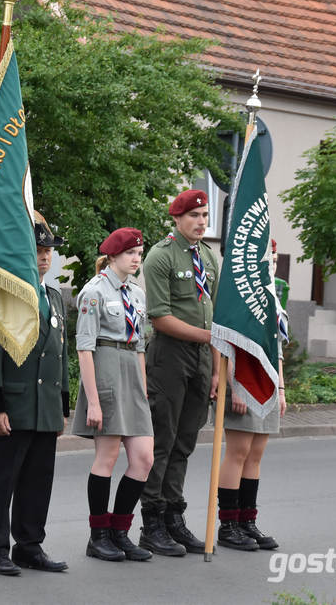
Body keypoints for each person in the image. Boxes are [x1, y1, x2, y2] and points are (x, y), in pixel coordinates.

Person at [0, 212, 70, 576]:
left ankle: (29, 545)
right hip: (13, 404)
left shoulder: (54, 296)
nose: (45, 256)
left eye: (49, 250)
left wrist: (61, 404)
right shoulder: (6, 293)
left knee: (37, 480)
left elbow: (59, 354)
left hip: (44, 406)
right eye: (38, 249)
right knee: (3, 480)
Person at [139, 189, 220, 557]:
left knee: (186, 441)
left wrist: (218, 370)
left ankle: (174, 516)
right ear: (177, 218)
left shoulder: (209, 257)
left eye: (205, 216)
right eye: (194, 216)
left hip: (202, 358)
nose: (201, 222)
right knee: (163, 440)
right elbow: (160, 316)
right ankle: (151, 520)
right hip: (170, 355)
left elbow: (216, 316)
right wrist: (208, 336)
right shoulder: (160, 256)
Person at [72, 227, 155, 563]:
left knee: (143, 458)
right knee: (106, 458)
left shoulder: (136, 293)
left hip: (131, 374)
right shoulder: (93, 292)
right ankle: (99, 535)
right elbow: (84, 348)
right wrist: (93, 400)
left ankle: (121, 531)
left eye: (139, 253)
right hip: (105, 368)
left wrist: (143, 388)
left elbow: (139, 346)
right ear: (112, 256)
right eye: (130, 254)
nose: (136, 259)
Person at [213, 240, 288, 551]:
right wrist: (232, 384)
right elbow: (224, 340)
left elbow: (277, 347)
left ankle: (247, 521)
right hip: (242, 380)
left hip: (267, 381)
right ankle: (228, 524)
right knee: (238, 452)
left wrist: (281, 388)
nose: (270, 262)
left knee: (256, 454)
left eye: (272, 257)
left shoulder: (273, 295)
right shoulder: (238, 294)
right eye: (264, 257)